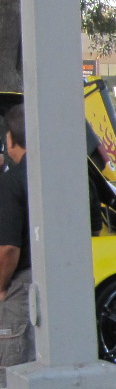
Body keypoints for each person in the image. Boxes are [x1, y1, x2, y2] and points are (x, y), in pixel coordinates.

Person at [0, 105, 33, 373]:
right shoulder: (68, 176)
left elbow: (9, 248)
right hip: (62, 279)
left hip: (20, 286)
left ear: (10, 139)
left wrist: (0, 285)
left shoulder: (12, 183)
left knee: (13, 373)